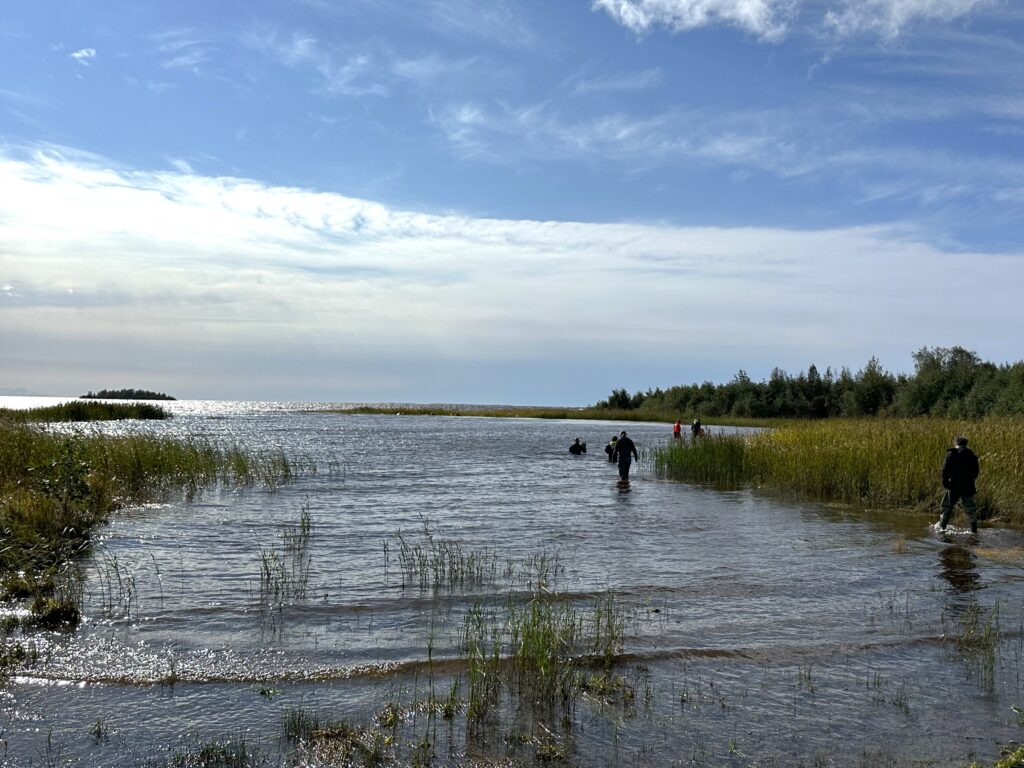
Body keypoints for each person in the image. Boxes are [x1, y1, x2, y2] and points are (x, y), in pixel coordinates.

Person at [939, 436, 980, 534]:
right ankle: (974, 531)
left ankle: (942, 528)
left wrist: (945, 482)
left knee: (946, 507)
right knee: (970, 509)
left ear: (956, 443)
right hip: (968, 486)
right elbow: (975, 473)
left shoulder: (951, 453)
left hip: (953, 485)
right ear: (966, 444)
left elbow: (945, 470)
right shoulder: (972, 456)